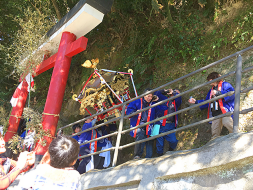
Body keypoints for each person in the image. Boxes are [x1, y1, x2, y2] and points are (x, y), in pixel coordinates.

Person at [188, 72, 235, 138]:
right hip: (215, 112)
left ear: (214, 78)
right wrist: (196, 102)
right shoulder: (211, 91)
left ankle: (237, 137)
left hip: (224, 110)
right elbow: (207, 102)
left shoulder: (225, 84)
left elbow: (231, 94)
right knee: (214, 132)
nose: (208, 81)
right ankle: (214, 145)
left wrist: (218, 93)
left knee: (228, 123)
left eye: (210, 79)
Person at [126, 88, 168, 159]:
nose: (149, 98)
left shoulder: (152, 104)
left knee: (149, 142)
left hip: (149, 127)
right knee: (140, 135)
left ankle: (146, 157)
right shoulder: (137, 101)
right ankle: (137, 155)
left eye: (151, 96)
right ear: (144, 95)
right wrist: (135, 112)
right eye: (148, 96)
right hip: (139, 125)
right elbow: (129, 110)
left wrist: (157, 100)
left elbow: (164, 108)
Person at [154, 89, 182, 156]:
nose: (175, 93)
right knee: (159, 144)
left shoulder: (176, 102)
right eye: (174, 91)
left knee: (173, 141)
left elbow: (179, 97)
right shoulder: (164, 99)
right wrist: (164, 90)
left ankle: (170, 151)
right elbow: (156, 93)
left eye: (176, 92)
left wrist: (174, 92)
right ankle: (159, 156)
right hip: (160, 124)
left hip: (170, 125)